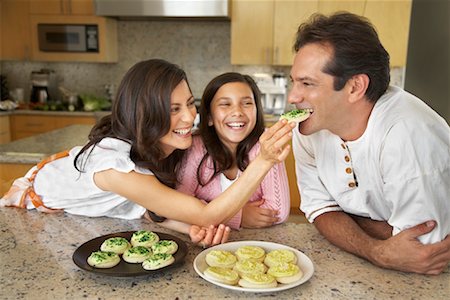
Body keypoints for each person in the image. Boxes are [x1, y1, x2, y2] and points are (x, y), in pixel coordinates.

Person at [1, 59, 295, 247]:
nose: (188, 117)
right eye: (173, 110)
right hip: (35, 214)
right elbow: (206, 214)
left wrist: (187, 228)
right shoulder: (116, 168)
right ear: (145, 115)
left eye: (190, 104)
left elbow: (151, 208)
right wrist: (264, 160)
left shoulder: (160, 148)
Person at [289, 12, 450, 274]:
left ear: (355, 87)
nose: (293, 96)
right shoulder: (310, 128)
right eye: (293, 82)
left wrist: (341, 220)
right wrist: (376, 250)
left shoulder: (407, 134)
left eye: (307, 83)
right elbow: (319, 208)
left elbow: (421, 250)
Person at [161, 72, 290, 233]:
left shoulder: (266, 143)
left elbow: (278, 211)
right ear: (209, 117)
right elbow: (181, 204)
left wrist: (207, 209)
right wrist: (239, 216)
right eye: (225, 104)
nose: (237, 112)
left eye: (247, 103)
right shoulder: (196, 146)